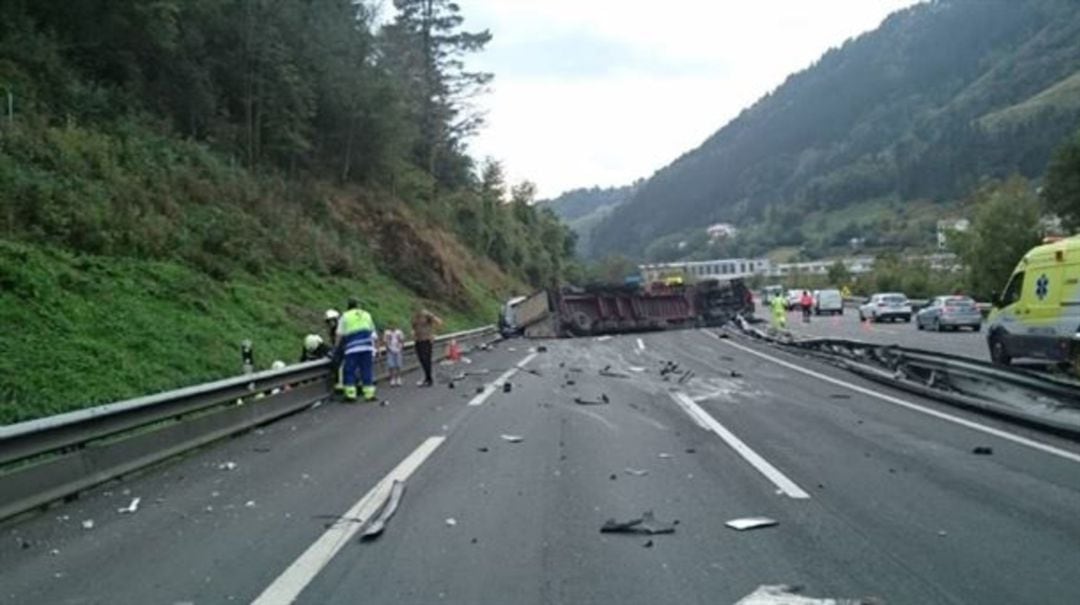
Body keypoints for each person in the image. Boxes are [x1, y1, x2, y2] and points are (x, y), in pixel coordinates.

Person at [337, 297, 378, 402]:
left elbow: (339, 334)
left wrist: (336, 347)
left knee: (349, 370)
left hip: (352, 348)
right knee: (366, 370)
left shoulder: (345, 316)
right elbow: (372, 331)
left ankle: (351, 395)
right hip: (367, 346)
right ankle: (369, 394)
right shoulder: (366, 314)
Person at [411, 307, 443, 387]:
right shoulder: (415, 318)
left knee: (426, 359)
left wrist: (433, 333)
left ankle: (429, 379)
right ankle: (427, 377)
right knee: (421, 359)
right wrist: (413, 334)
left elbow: (439, 322)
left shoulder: (427, 316)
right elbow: (414, 328)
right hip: (418, 340)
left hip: (426, 340)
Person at [324, 309, 344, 391]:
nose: (330, 323)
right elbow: (333, 343)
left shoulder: (341, 329)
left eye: (331, 321)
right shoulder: (332, 331)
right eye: (328, 321)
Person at [382, 322, 406, 387]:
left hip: (398, 350)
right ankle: (392, 379)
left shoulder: (399, 332)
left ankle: (398, 378)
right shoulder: (387, 333)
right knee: (391, 365)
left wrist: (401, 348)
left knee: (398, 365)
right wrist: (388, 348)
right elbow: (385, 341)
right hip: (390, 351)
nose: (392, 326)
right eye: (391, 325)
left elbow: (402, 340)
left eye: (394, 325)